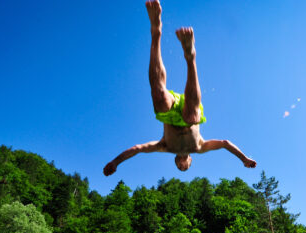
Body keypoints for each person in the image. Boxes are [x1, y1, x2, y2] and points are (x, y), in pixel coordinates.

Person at [103, 0, 257, 176]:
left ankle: (156, 31)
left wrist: (116, 161)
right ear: (191, 160)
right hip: (190, 109)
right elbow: (225, 143)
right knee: (192, 117)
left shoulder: (165, 146)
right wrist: (243, 158)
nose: (182, 165)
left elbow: (138, 148)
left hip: (170, 111)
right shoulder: (200, 147)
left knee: (160, 100)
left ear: (174, 160)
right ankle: (190, 57)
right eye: (185, 167)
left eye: (179, 167)